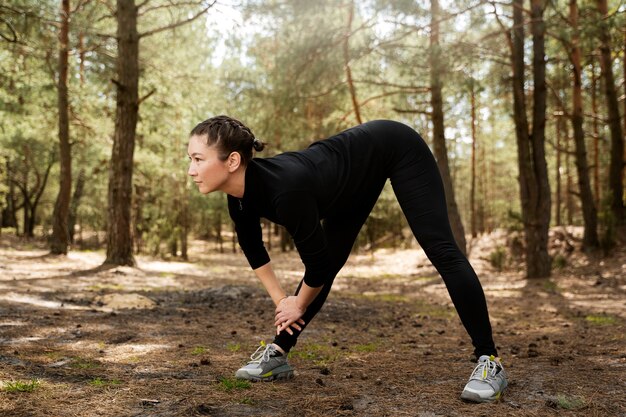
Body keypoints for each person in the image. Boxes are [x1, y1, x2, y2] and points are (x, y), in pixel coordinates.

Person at [187, 115, 508, 403]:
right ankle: (278, 353)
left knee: (441, 250)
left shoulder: (286, 192)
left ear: (231, 161)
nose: (191, 170)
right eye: (190, 160)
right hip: (347, 187)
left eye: (198, 159)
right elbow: (255, 252)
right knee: (325, 267)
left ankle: (489, 360)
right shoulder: (239, 199)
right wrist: (284, 300)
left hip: (395, 147)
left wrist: (298, 303)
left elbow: (318, 267)